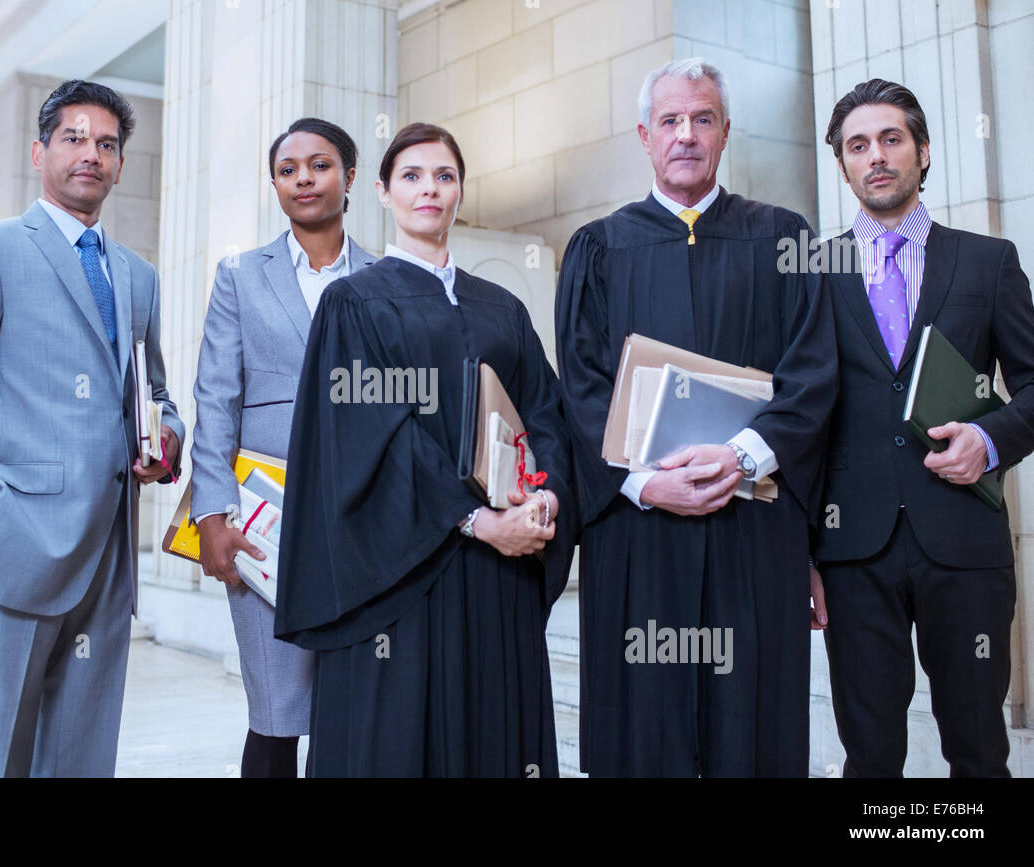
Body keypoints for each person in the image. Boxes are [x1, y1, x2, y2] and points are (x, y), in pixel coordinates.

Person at [554, 58, 837, 777]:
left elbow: (813, 375)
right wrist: (645, 483)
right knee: (645, 724)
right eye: (672, 121)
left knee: (756, 724)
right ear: (646, 136)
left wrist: (742, 455)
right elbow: (580, 387)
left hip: (756, 523)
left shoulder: (783, 237)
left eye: (703, 119)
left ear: (726, 133)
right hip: (639, 531)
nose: (687, 135)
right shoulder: (599, 248)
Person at [0, 80, 184, 777]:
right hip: (17, 547)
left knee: (83, 750)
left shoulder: (138, 277)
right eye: (74, 138)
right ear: (40, 151)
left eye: (107, 144)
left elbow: (156, 395)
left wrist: (166, 440)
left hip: (109, 555)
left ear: (119, 164)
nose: (92, 154)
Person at [273, 122, 576, 777]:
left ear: (460, 191)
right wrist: (475, 520)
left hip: (499, 577)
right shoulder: (353, 302)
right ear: (382, 192)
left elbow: (545, 410)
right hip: (400, 572)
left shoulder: (501, 306)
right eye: (411, 176)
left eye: (444, 176)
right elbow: (371, 432)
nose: (429, 189)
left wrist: (544, 496)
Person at [810, 79, 1034, 777]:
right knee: (870, 756)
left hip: (964, 545)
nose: (875, 155)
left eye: (891, 139)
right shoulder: (814, 271)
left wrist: (990, 440)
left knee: (978, 749)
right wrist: (800, 551)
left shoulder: (988, 261)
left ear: (923, 152)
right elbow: (795, 416)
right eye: (858, 145)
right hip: (852, 553)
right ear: (843, 165)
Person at [188, 118, 375, 777]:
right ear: (274, 182)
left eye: (319, 165)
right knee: (276, 712)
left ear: (350, 177)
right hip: (264, 524)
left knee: (353, 709)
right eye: (288, 168)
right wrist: (211, 513)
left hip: (363, 521)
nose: (303, 178)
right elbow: (215, 400)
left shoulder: (383, 277)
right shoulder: (240, 275)